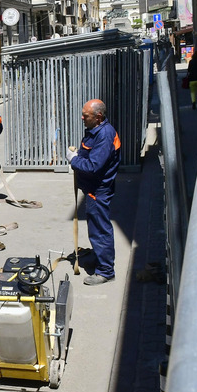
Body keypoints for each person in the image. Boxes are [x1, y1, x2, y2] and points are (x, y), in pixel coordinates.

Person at [66, 99, 120, 285]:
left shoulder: (104, 135)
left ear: (98, 117)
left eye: (85, 116)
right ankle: (99, 259)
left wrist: (73, 160)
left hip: (98, 190)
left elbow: (93, 166)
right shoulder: (96, 130)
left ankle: (105, 271)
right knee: (96, 228)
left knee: (100, 230)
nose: (82, 118)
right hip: (94, 189)